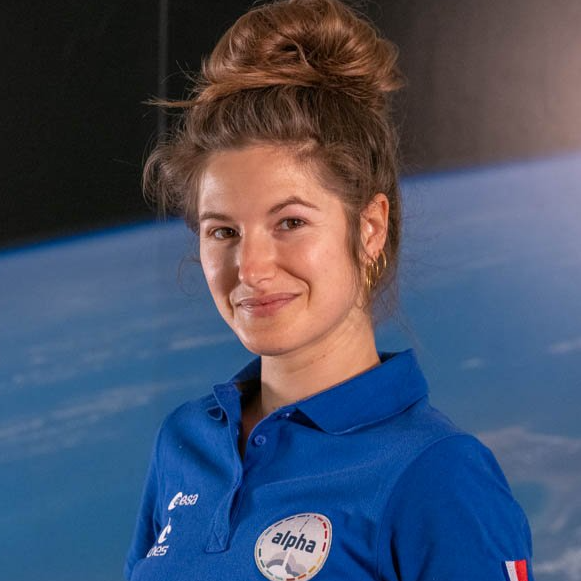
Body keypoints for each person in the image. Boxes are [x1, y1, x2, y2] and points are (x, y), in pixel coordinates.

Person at [124, 0, 535, 579]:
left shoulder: (438, 473)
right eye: (223, 231)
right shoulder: (185, 442)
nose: (251, 268)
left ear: (369, 228)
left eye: (290, 222)